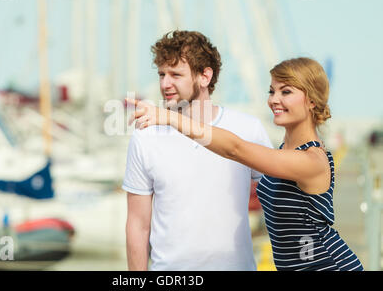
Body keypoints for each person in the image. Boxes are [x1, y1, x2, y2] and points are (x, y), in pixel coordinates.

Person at [127, 57, 364, 271]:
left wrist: (171, 117)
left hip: (328, 265)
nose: (274, 100)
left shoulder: (311, 160)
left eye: (286, 92)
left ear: (312, 101)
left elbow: (235, 148)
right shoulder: (282, 152)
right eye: (272, 91)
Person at [123, 30, 273, 271]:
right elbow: (138, 225)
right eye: (161, 74)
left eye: (175, 74)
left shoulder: (248, 129)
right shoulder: (145, 136)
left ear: (205, 76)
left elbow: (279, 203)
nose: (164, 84)